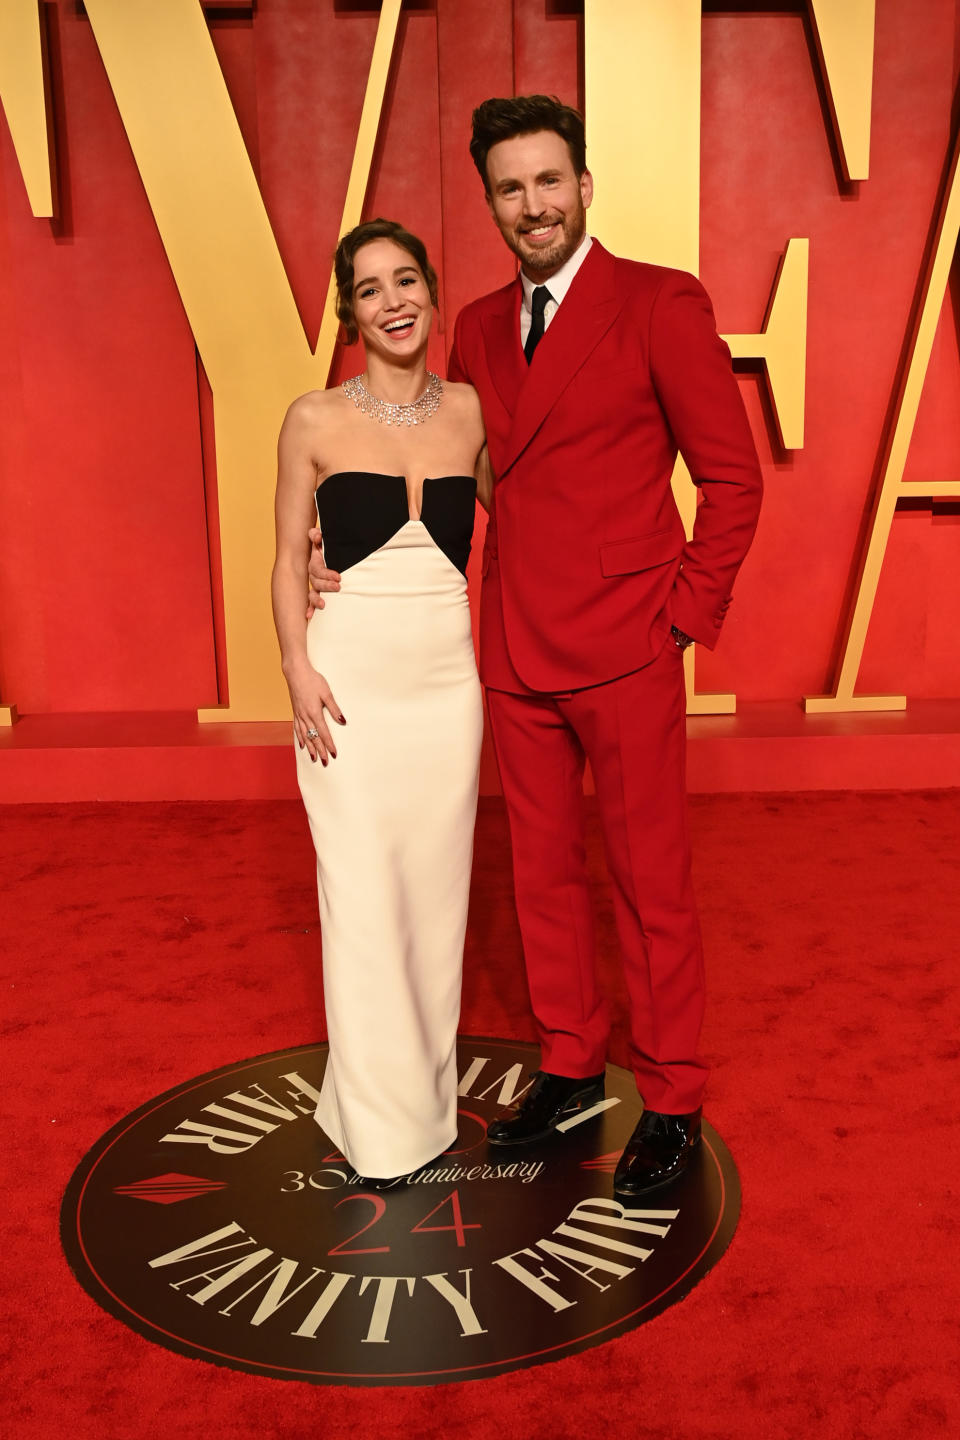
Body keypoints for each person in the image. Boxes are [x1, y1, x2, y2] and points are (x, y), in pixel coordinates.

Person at [311, 97, 763, 1196]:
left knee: (650, 880)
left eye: (548, 182)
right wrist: (343, 542)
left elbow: (734, 480)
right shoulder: (469, 324)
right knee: (544, 877)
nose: (533, 206)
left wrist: (681, 619)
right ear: (492, 203)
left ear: (585, 185)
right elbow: (449, 466)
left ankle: (672, 1092)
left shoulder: (659, 301)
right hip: (509, 646)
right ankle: (569, 1064)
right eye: (511, 189)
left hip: (627, 643)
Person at [272, 218, 487, 1185]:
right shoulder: (312, 419)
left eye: (407, 281)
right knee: (360, 898)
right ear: (347, 310)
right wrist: (295, 668)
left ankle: (413, 1105)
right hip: (347, 684)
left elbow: (531, 524)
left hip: (447, 690)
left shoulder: (474, 413)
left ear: (432, 293)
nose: (394, 301)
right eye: (370, 289)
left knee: (434, 903)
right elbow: (285, 559)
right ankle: (380, 1129)